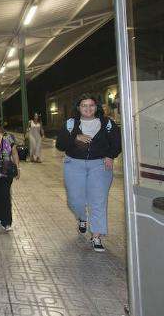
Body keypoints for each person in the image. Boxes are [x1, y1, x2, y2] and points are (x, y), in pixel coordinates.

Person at [56, 93, 121, 252]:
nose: (88, 108)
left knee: (98, 200)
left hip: (100, 165)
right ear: (78, 108)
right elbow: (60, 145)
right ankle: (82, 218)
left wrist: (110, 156)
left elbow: (117, 143)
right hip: (74, 164)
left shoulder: (107, 123)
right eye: (84, 105)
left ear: (96, 107)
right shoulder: (70, 124)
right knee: (74, 199)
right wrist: (75, 138)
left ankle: (96, 236)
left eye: (91, 105)